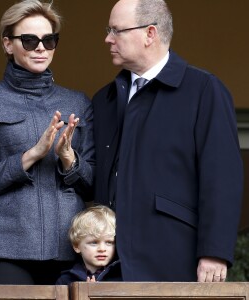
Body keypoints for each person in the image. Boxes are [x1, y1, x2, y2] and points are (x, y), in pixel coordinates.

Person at [92, 0, 243, 282]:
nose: (107, 39)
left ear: (150, 33)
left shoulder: (203, 90)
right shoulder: (104, 100)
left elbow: (222, 177)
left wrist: (214, 251)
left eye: (116, 30)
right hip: (109, 267)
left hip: (174, 259)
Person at [0, 0, 95, 285]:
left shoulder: (77, 102)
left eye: (49, 40)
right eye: (30, 40)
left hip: (70, 245)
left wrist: (69, 158)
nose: (41, 48)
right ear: (8, 44)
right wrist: (31, 155)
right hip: (5, 245)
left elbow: (93, 182)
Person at [56, 205, 121, 284]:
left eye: (109, 242)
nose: (102, 249)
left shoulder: (121, 277)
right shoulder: (67, 280)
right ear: (77, 246)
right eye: (94, 243)